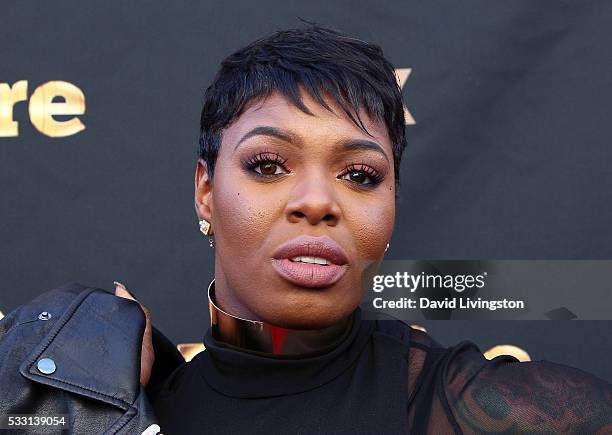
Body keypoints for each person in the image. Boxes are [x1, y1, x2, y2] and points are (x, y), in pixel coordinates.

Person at [1, 24, 611, 435]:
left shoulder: (482, 409)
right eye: (269, 166)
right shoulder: (118, 407)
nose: (317, 202)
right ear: (206, 190)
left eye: (360, 175)